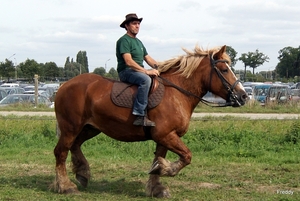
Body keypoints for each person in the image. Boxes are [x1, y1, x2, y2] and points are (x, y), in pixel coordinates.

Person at [116, 13, 160, 127]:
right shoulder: (124, 40)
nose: (137, 26)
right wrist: (146, 71)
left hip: (136, 71)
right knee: (145, 80)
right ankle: (139, 115)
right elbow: (129, 61)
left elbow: (148, 58)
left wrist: (161, 67)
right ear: (127, 26)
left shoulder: (139, 42)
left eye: (138, 24)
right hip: (126, 71)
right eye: (134, 23)